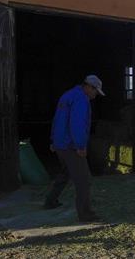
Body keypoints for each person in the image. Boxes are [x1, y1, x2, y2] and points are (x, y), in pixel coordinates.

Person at [44, 75, 105, 222]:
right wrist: (80, 145)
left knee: (66, 172)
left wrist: (53, 139)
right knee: (84, 180)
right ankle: (85, 213)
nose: (95, 95)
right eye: (95, 91)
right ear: (88, 87)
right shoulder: (81, 100)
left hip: (60, 144)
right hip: (70, 145)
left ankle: (51, 200)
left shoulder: (68, 95)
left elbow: (57, 119)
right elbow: (77, 124)